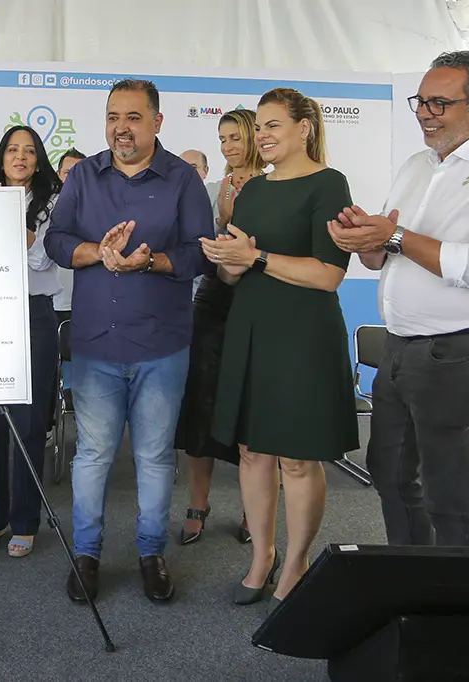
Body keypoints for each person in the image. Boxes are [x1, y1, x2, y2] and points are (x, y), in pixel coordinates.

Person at [329, 51, 469, 548]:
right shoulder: (418, 163)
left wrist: (395, 236)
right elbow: (385, 255)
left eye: (440, 103)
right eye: (420, 101)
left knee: (450, 493)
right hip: (402, 345)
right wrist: (365, 241)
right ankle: (414, 582)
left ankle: (461, 613)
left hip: (461, 351)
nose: (424, 112)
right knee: (390, 474)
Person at [44, 80, 212, 602]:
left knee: (156, 456)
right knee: (92, 455)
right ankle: (88, 555)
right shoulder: (84, 177)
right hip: (96, 344)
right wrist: (99, 252)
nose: (121, 127)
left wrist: (153, 261)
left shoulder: (184, 180)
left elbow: (201, 253)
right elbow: (55, 239)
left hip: (162, 344)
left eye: (134, 117)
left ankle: (150, 553)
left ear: (157, 122)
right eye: (114, 116)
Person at [201, 88, 358, 606]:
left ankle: (296, 561)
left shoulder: (328, 184)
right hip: (250, 325)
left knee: (295, 458)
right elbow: (233, 271)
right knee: (251, 450)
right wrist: (224, 258)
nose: (262, 135)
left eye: (273, 125)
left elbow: (329, 274)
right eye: (259, 126)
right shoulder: (253, 191)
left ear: (304, 127)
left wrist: (257, 256)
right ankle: (261, 557)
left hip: (302, 333)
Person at [175, 109, 265, 546]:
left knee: (255, 414)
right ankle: (198, 504)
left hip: (261, 301)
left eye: (235, 137)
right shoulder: (212, 188)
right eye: (222, 138)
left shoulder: (274, 185)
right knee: (200, 406)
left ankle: (255, 509)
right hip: (212, 301)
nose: (229, 146)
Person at [0, 125, 61, 558]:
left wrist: (4, 226)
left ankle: (26, 519)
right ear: (1, 157)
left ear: (38, 159)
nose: (21, 157)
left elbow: (41, 257)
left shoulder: (53, 200)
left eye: (29, 151)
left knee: (28, 424)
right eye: (13, 149)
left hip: (33, 314)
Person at [53, 149, 86, 325]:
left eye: (79, 173)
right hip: (53, 304)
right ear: (58, 175)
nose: (72, 179)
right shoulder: (43, 208)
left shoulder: (100, 210)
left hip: (88, 303)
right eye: (67, 173)